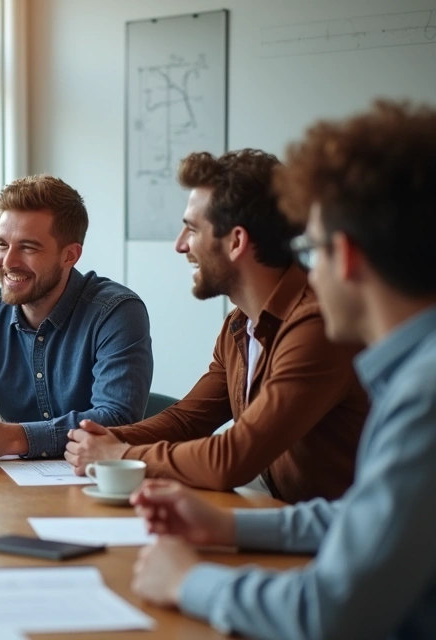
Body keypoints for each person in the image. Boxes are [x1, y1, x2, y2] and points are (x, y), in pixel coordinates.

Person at [130, 101, 436, 639]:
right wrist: (226, 523)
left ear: (344, 255)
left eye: (309, 249)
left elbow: (332, 609)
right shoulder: (413, 373)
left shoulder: (424, 394)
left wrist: (189, 581)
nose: (305, 270)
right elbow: (364, 521)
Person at [64, 150, 368, 503]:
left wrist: (119, 455)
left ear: (236, 241)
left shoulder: (316, 327)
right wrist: (108, 438)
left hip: (336, 540)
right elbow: (186, 421)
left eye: (192, 229)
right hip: (278, 514)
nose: (180, 245)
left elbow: (232, 459)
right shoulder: (240, 324)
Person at [0, 174, 153, 458]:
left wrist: (11, 438)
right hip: (15, 491)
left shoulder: (116, 311)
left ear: (70, 256)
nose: (8, 262)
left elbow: (118, 418)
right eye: (2, 245)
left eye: (28, 247)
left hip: (95, 486)